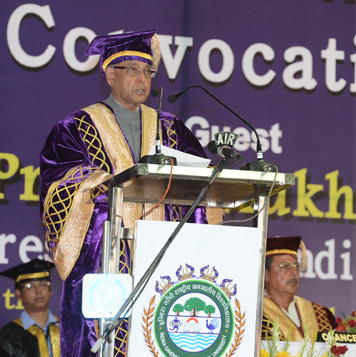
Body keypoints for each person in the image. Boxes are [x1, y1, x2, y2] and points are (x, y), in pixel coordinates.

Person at [39, 29, 208, 356]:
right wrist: (103, 186)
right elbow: (59, 186)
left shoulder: (172, 128)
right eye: (132, 70)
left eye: (147, 72)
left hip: (166, 265)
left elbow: (200, 185)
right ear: (109, 74)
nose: (142, 79)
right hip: (105, 264)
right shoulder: (75, 127)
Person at [261, 236, 336, 341]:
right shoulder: (256, 314)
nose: (294, 272)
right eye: (285, 266)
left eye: (296, 266)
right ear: (266, 275)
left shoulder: (322, 314)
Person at [0, 259, 60, 357]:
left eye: (43, 284)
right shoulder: (9, 336)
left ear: (50, 290)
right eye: (30, 286)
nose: (38, 290)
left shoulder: (66, 329)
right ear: (18, 293)